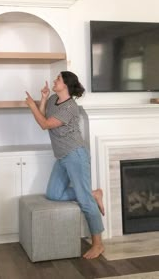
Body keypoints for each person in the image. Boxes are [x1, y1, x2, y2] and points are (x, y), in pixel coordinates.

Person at [25, 71, 105, 259]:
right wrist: (43, 99)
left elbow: (44, 124)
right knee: (54, 194)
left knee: (85, 202)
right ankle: (93, 193)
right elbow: (44, 115)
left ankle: (98, 244)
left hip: (75, 155)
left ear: (66, 85)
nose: (54, 80)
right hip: (62, 156)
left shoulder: (70, 108)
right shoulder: (54, 98)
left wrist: (31, 106)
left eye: (58, 79)